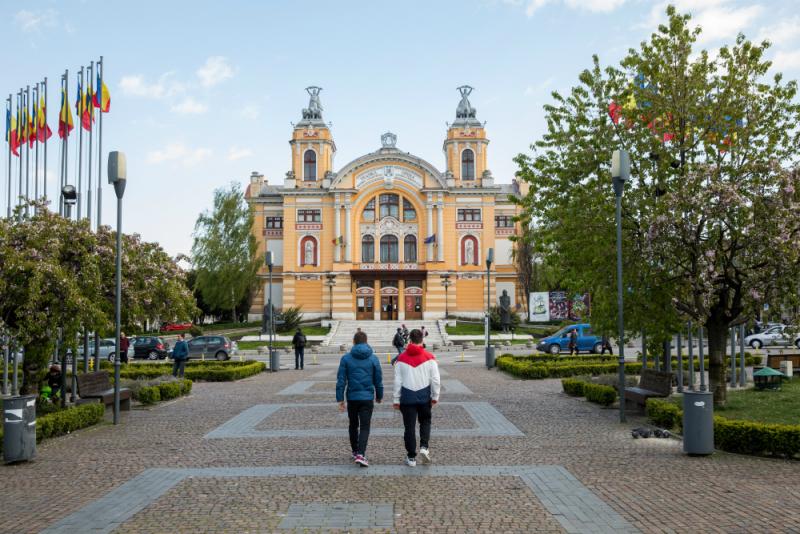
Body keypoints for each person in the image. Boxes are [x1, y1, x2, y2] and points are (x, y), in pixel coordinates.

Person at [394, 328, 441, 467]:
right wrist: (435, 396)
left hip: (407, 398)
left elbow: (397, 381)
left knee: (409, 427)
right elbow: (435, 380)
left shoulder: (401, 358)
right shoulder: (430, 358)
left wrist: (396, 399)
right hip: (424, 396)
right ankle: (424, 447)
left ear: (409, 340)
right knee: (425, 422)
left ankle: (411, 457)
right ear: (422, 340)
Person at [336, 331, 383, 468]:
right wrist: (379, 395)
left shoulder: (346, 358)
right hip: (367, 397)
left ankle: (355, 451)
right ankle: (361, 454)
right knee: (365, 426)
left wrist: (340, 399)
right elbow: (378, 380)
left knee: (353, 425)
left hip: (352, 397)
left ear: (354, 342)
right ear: (366, 341)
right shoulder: (373, 358)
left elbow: (341, 380)